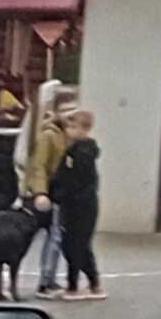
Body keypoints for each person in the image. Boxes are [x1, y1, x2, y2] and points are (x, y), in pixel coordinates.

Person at [48, 104, 103, 295]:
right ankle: (92, 280)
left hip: (82, 205)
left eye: (73, 127)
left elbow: (77, 180)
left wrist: (63, 193)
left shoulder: (84, 152)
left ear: (84, 129)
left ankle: (74, 284)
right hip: (71, 204)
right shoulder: (73, 149)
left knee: (77, 244)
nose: (69, 131)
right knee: (72, 244)